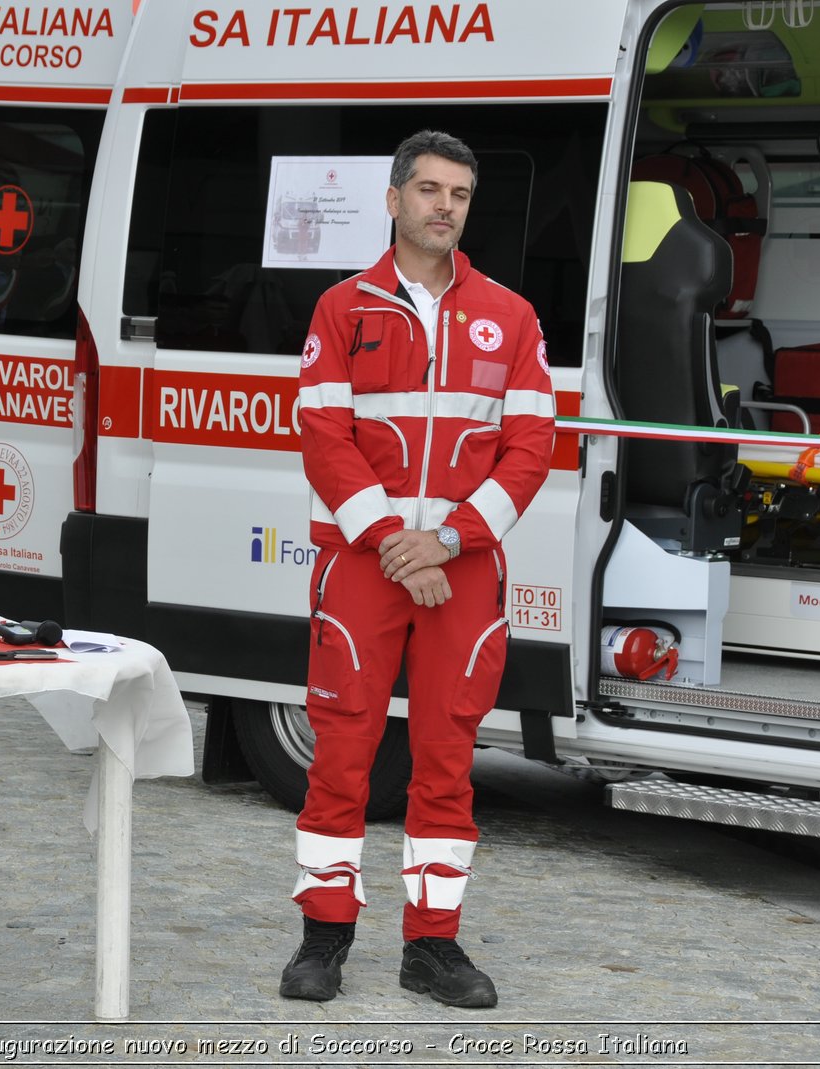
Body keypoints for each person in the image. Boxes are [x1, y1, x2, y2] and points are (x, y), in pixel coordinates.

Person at [280, 130, 555, 1008]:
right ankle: (323, 936)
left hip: (461, 571)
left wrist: (453, 540)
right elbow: (324, 440)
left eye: (460, 194)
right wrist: (398, 541)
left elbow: (531, 447)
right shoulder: (341, 309)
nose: (444, 206)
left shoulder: (512, 317)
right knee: (344, 753)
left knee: (447, 761)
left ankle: (431, 947)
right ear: (393, 200)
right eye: (429, 189)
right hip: (365, 563)